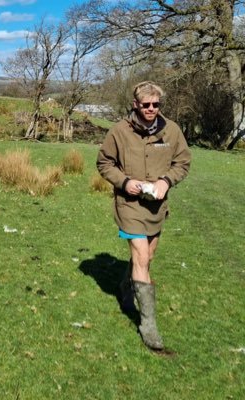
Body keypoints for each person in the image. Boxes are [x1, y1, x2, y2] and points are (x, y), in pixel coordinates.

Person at [96, 81, 191, 350]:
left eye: (156, 104)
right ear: (136, 104)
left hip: (156, 206)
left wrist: (166, 181)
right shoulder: (119, 131)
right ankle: (148, 326)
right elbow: (104, 162)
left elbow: (183, 162)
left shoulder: (171, 131)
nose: (151, 109)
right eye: (146, 104)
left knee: (147, 258)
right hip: (129, 205)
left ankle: (127, 288)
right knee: (140, 255)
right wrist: (125, 182)